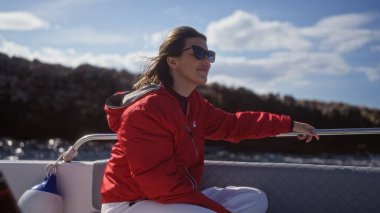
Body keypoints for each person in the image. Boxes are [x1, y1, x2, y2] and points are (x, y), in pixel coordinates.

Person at [100, 26, 319, 213]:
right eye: (197, 52)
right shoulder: (146, 111)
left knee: (254, 199)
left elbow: (233, 125)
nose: (206, 61)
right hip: (130, 203)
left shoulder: (194, 104)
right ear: (172, 61)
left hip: (171, 198)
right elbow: (159, 185)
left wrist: (286, 124)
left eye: (209, 55)